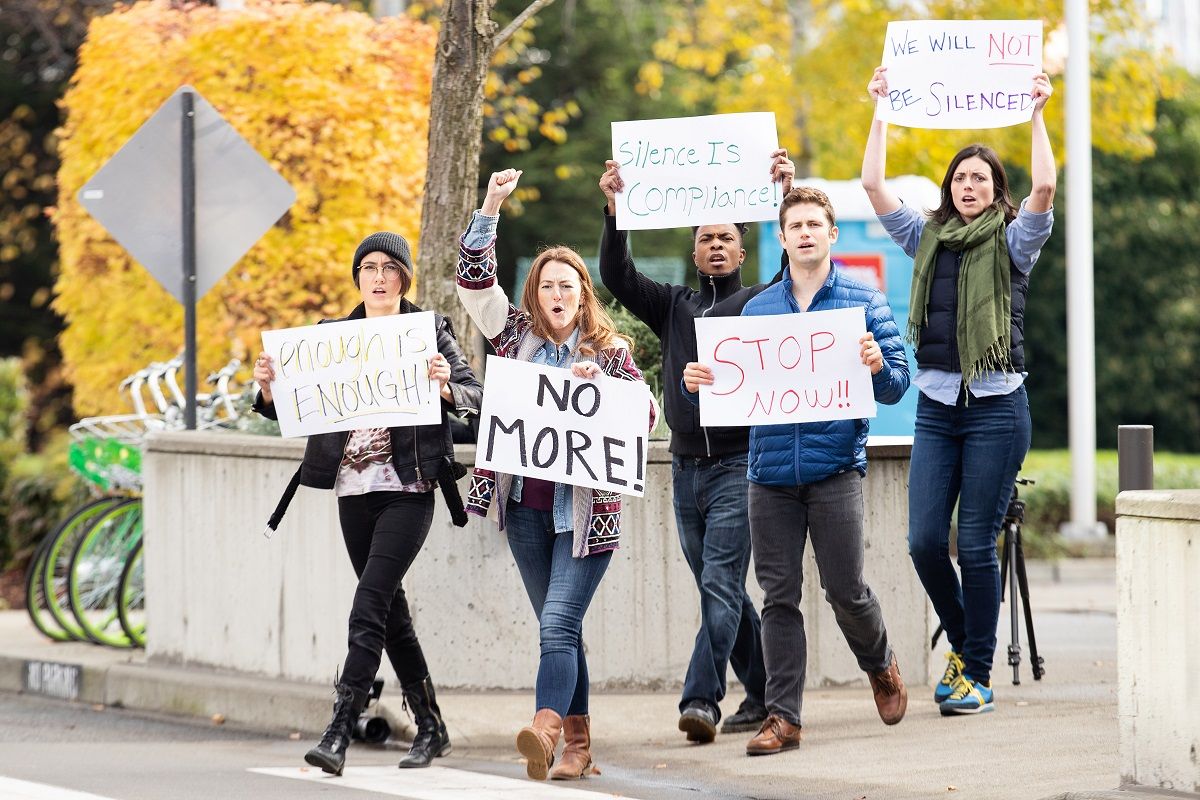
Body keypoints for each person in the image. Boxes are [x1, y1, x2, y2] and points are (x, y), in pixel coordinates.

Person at [683, 186, 910, 756]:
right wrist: (698, 388)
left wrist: (879, 365)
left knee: (845, 589)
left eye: (815, 224)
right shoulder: (755, 310)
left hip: (835, 470)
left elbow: (896, 384)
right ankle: (783, 717)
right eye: (795, 226)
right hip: (768, 476)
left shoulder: (863, 298)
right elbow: (727, 393)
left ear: (831, 235)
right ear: (781, 240)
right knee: (778, 596)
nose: (805, 233)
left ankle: (879, 661)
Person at [860, 67, 1056, 716]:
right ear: (948, 187)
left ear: (997, 190)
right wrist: (882, 107)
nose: (968, 185)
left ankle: (974, 672)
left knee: (973, 542)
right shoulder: (926, 238)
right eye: (959, 177)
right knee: (922, 541)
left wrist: (1036, 112)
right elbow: (872, 184)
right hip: (940, 408)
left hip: (999, 409)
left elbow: (1048, 185)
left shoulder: (1014, 241)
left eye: (981, 178)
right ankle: (970, 646)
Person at [252, 231, 483, 775]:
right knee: (390, 613)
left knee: (368, 604)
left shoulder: (429, 332)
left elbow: (477, 396)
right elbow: (283, 410)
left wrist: (447, 386)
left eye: (389, 269)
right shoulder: (331, 338)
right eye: (369, 268)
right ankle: (432, 726)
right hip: (352, 492)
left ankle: (339, 729)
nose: (379, 278)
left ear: (404, 278)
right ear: (358, 277)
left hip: (409, 490)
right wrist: (266, 388)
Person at [456, 168, 657, 782]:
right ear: (535, 293)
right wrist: (492, 203)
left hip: (586, 516)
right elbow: (471, 282)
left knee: (557, 625)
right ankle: (579, 746)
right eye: (547, 285)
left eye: (568, 285)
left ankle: (544, 730)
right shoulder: (511, 336)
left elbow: (646, 416)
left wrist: (608, 390)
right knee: (558, 632)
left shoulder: (610, 352)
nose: (558, 294)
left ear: (583, 294)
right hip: (523, 512)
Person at [597, 150, 794, 743]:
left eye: (726, 238)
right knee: (723, 588)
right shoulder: (674, 305)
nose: (715, 245)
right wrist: (615, 210)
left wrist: (785, 192)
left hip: (739, 465)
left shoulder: (762, 302)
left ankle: (700, 701)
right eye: (705, 237)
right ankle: (763, 695)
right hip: (684, 468)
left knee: (719, 584)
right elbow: (616, 276)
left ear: (741, 250)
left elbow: (799, 268)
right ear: (694, 249)